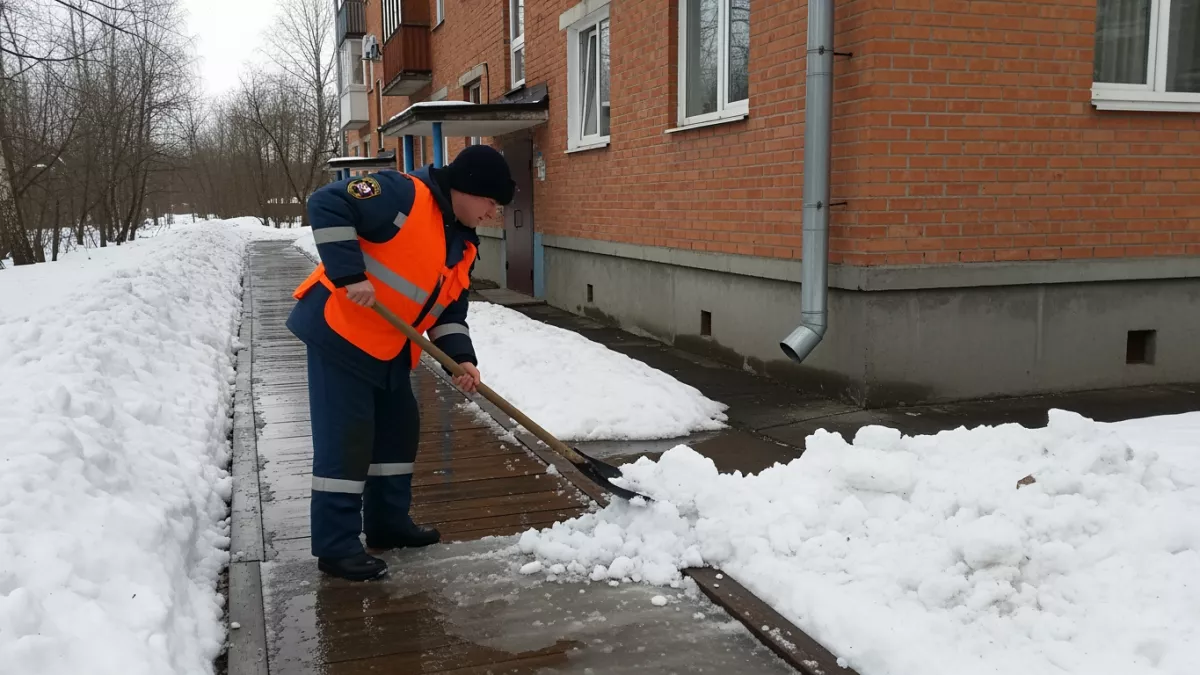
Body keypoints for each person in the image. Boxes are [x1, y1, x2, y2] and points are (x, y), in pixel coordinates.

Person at [286, 145, 515, 581]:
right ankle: (336, 547)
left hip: (390, 347)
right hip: (341, 334)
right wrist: (350, 274)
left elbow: (448, 312)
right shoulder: (402, 194)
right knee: (347, 440)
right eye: (491, 202)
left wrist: (460, 359)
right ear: (466, 189)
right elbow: (327, 202)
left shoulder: (464, 243)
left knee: (397, 432)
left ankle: (387, 524)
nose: (492, 213)